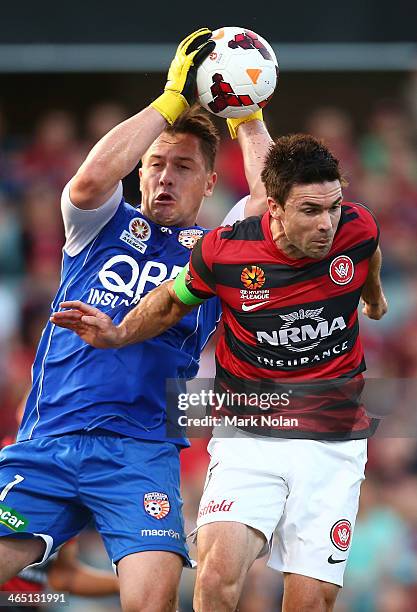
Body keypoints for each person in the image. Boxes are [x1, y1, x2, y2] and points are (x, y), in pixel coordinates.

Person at [52, 133, 388, 611]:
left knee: (309, 603)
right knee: (216, 575)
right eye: (311, 211)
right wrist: (118, 334)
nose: (328, 224)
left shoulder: (356, 227)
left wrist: (373, 296)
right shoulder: (225, 252)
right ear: (273, 207)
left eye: (334, 207)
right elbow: (171, 299)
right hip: (250, 430)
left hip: (333, 438)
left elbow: (367, 251)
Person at [0, 28, 273, 612]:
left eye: (182, 167)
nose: (165, 177)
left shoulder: (216, 250)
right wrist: (172, 99)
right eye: (155, 164)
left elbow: (274, 206)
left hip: (139, 453)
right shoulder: (100, 224)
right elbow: (89, 181)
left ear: (208, 182)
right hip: (48, 442)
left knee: (152, 603)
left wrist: (246, 114)